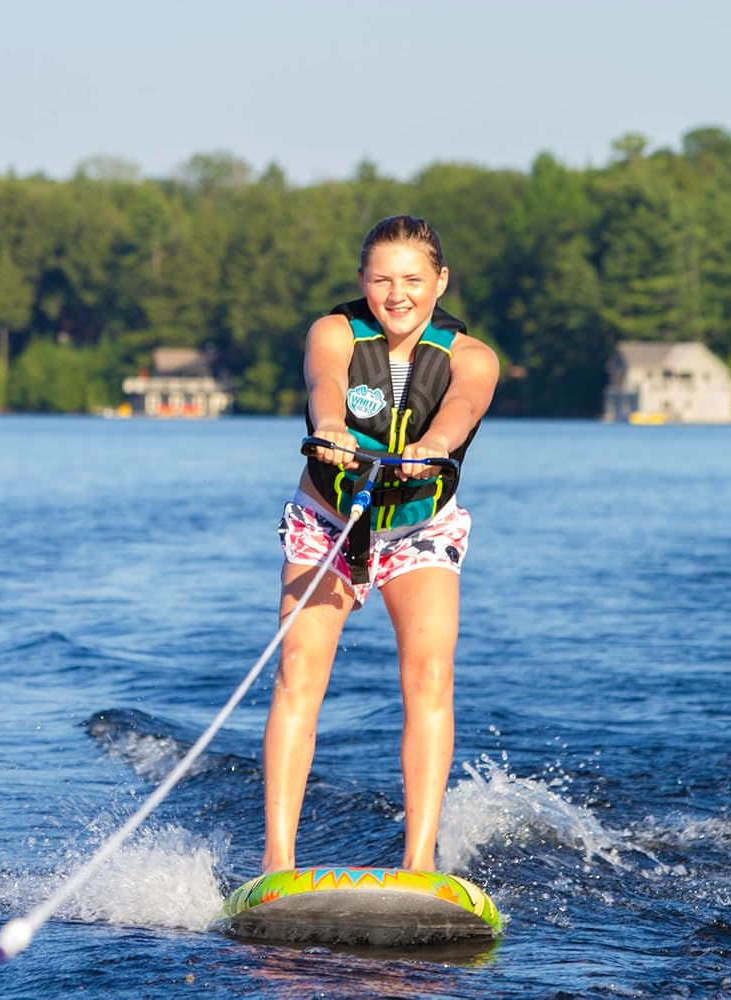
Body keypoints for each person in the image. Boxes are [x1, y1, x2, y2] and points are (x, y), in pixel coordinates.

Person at [262, 214, 499, 874]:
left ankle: (420, 864)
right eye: (381, 279)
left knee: (430, 676)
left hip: (418, 528)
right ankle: (276, 863)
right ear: (362, 281)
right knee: (298, 673)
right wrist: (332, 424)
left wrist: (435, 445)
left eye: (414, 280)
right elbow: (325, 383)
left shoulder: (471, 356)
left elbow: (464, 407)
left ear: (441, 281)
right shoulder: (334, 332)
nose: (397, 295)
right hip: (329, 522)